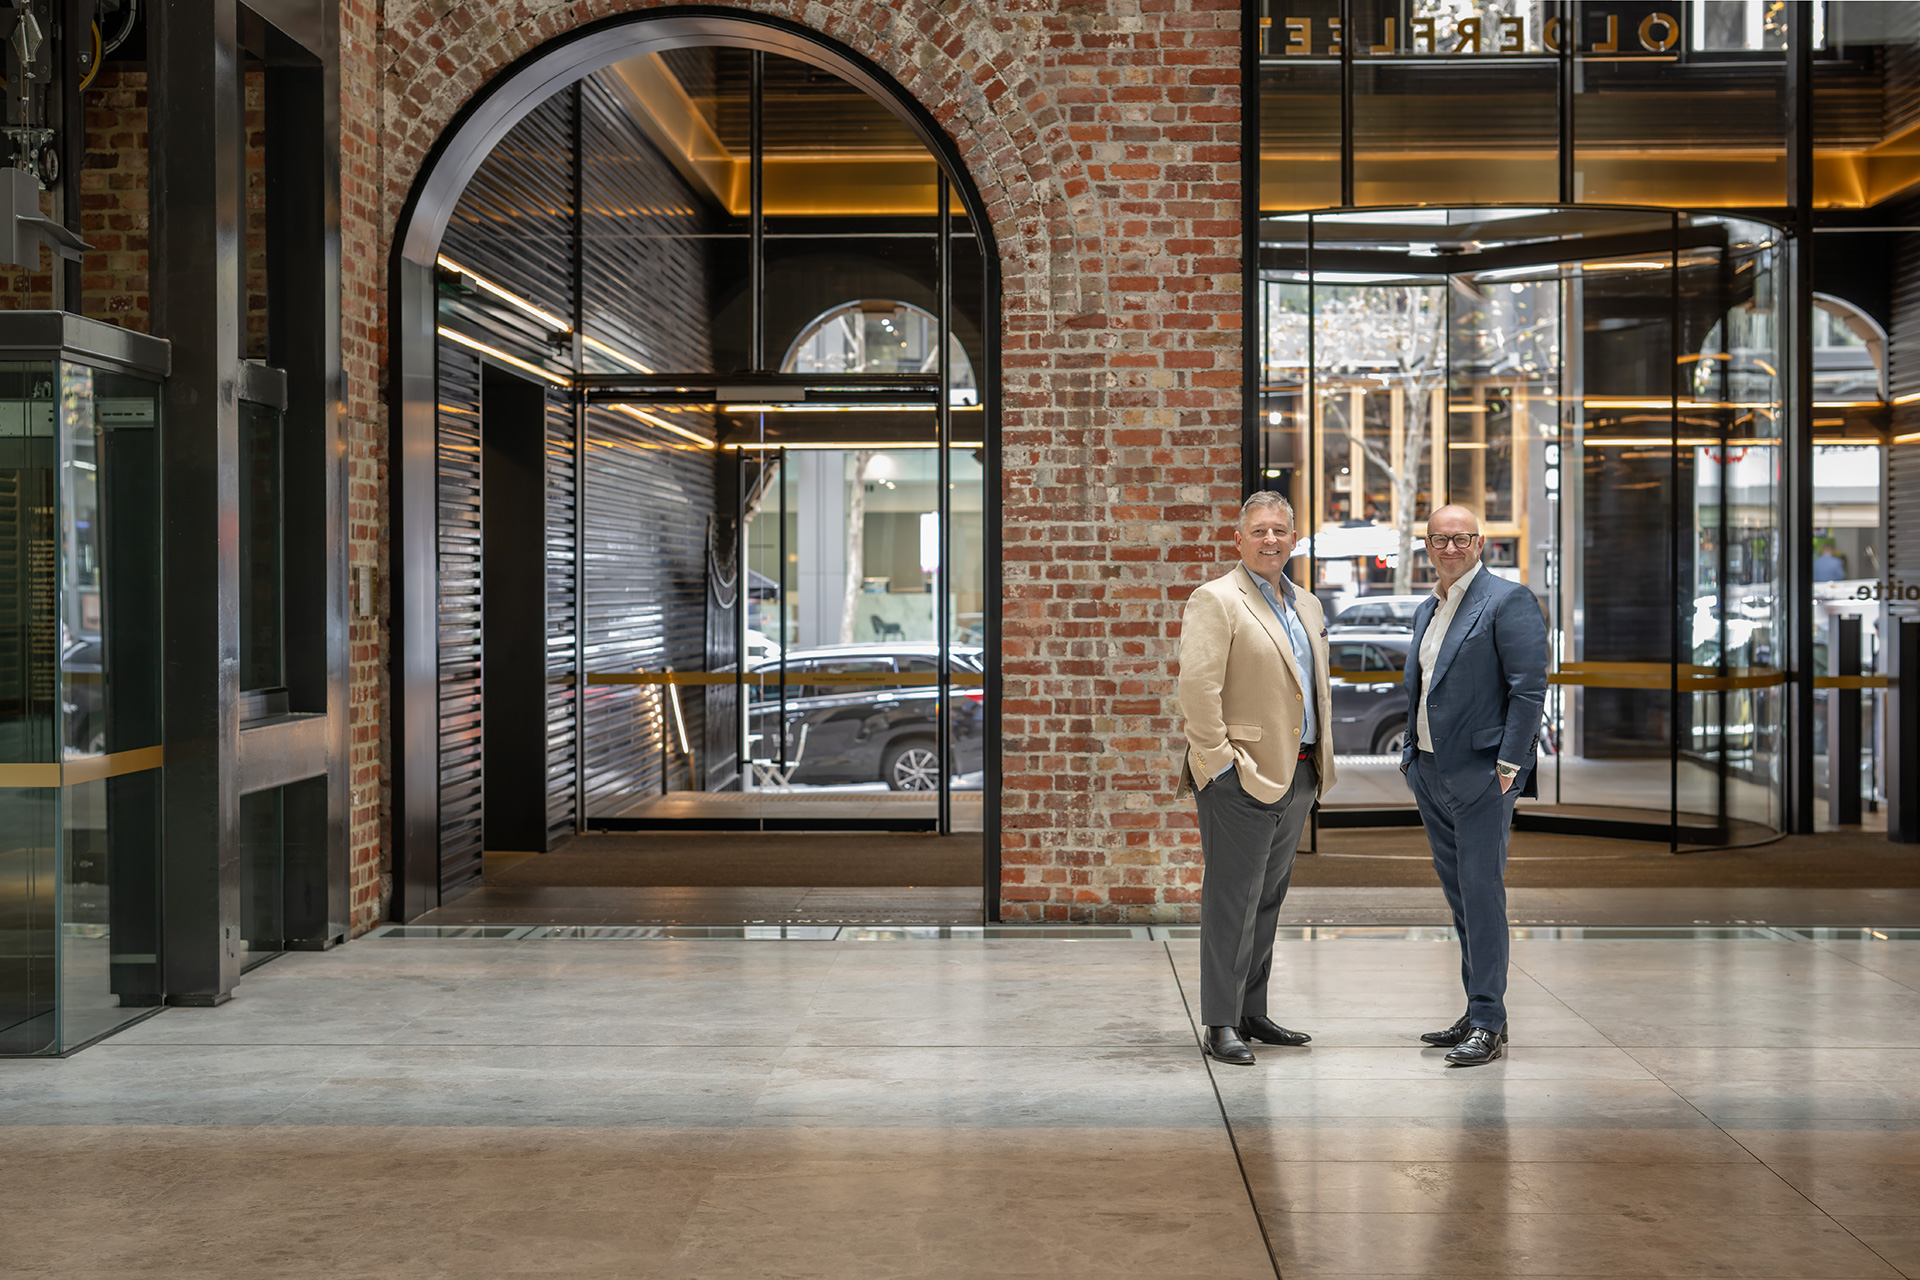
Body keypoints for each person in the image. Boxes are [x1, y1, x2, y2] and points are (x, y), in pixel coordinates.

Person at [1177, 492, 1337, 1066]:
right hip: (1239, 778)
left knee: (1266, 900)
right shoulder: (1216, 599)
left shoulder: (1308, 606)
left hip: (1299, 774)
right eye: (1259, 531)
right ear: (1237, 540)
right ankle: (1220, 1022)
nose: (1271, 540)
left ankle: (1252, 1011)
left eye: (1280, 531)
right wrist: (1219, 766)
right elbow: (1197, 690)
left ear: (1293, 540)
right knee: (1230, 902)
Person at [1401, 504, 1547, 1067]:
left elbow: (1529, 690)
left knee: (1482, 895)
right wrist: (1413, 760)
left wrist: (1509, 767)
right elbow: (1424, 688)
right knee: (1461, 898)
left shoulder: (1507, 601)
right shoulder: (1427, 609)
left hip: (1484, 776)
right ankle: (1479, 1009)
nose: (1450, 548)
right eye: (1439, 539)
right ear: (1428, 545)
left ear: (1481, 542)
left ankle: (1487, 1019)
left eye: (1461, 538)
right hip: (1432, 773)